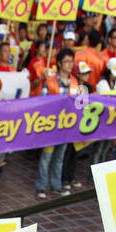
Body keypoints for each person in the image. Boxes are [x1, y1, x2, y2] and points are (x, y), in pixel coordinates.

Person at [36, 48, 79, 199]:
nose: (69, 64)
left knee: (59, 158)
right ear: (59, 63)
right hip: (51, 125)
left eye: (71, 61)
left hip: (66, 126)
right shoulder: (50, 81)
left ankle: (56, 186)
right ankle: (41, 187)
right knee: (46, 157)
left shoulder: (75, 81)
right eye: (66, 61)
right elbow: (43, 102)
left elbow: (80, 104)